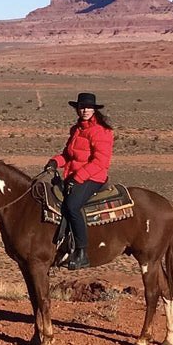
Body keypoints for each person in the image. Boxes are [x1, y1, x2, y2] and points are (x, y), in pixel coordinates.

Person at [45, 92, 114, 270]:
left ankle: (82, 252)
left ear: (94, 109)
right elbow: (68, 155)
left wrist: (77, 178)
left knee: (72, 206)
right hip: (74, 176)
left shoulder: (101, 131)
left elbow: (101, 162)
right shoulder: (77, 130)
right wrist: (55, 161)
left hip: (93, 177)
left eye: (88, 107)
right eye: (82, 107)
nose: (85, 110)